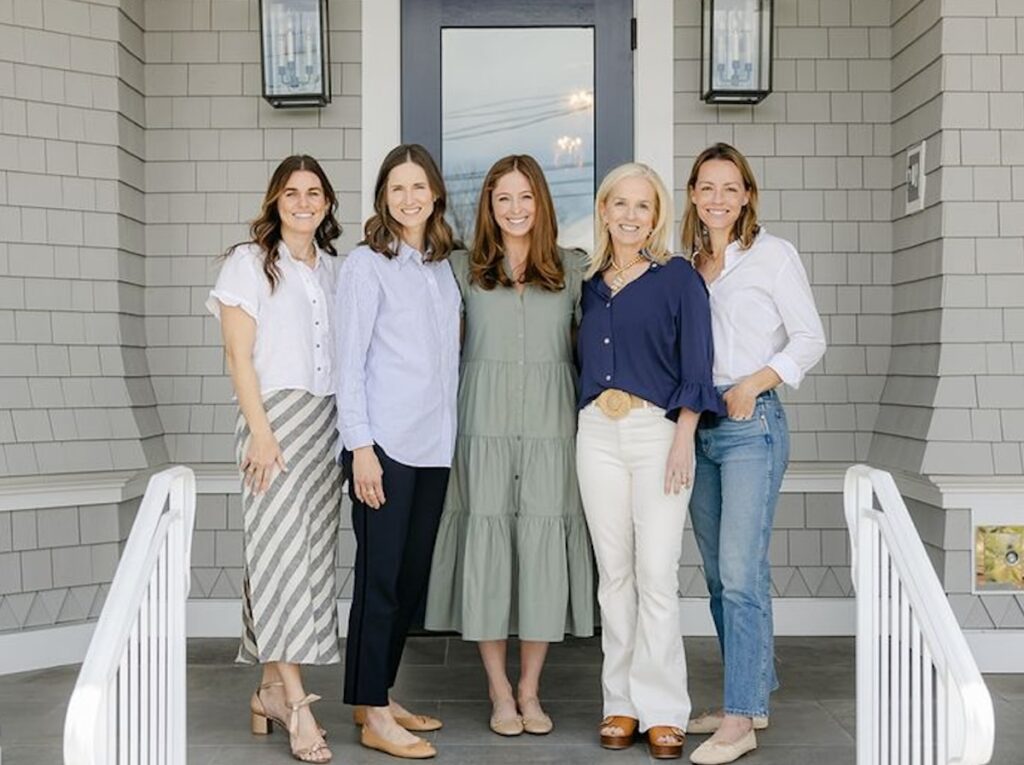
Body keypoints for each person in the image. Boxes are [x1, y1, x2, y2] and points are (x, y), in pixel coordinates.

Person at [425, 155, 595, 737]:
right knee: (490, 549)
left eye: (525, 197)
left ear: (541, 202)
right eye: (503, 198)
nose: (515, 209)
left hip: (553, 430)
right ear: (489, 207)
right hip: (482, 427)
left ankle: (530, 689)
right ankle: (499, 690)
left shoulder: (572, 270)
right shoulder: (458, 270)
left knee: (544, 550)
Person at [682, 143, 826, 765]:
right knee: (720, 575)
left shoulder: (773, 256)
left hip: (751, 422)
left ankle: (739, 720)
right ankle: (749, 696)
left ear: (747, 196)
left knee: (741, 574)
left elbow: (811, 337)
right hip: (701, 423)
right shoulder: (686, 265)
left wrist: (752, 384)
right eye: (706, 187)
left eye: (729, 188)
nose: (718, 198)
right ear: (692, 195)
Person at [575, 162, 723, 760]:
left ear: (657, 215)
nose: (631, 216)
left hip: (657, 432)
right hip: (595, 435)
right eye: (621, 204)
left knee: (656, 573)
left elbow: (699, 363)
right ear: (604, 210)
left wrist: (684, 433)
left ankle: (665, 710)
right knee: (614, 576)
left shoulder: (678, 278)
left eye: (644, 206)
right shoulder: (586, 282)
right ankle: (621, 704)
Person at [207, 154, 343, 763]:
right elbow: (238, 359)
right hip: (273, 422)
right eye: (293, 192)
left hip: (324, 424)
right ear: (275, 200)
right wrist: (261, 434)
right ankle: (295, 704)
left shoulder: (335, 270)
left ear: (328, 203)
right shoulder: (248, 262)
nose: (304, 202)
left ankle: (266, 687)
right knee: (281, 554)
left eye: (315, 192)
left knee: (297, 555)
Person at [334, 143, 461, 760]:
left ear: (434, 193)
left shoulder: (440, 267)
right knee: (379, 582)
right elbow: (348, 362)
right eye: (396, 188)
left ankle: (377, 692)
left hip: (434, 447)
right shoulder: (366, 265)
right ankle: (373, 714)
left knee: (409, 582)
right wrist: (360, 447)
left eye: (419, 187)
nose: (409, 198)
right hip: (382, 447)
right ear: (384, 197)